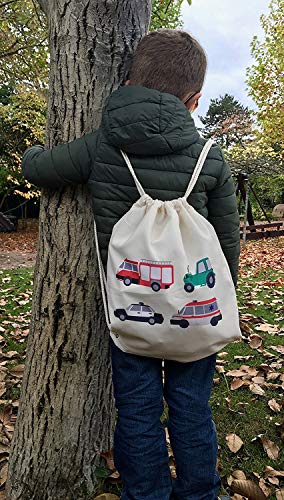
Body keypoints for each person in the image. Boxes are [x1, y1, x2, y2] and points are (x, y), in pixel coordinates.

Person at [22, 29, 240, 500]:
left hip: (131, 308)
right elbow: (226, 246)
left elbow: (41, 170)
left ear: (127, 82)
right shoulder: (210, 158)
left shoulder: (103, 144)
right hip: (195, 313)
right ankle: (200, 493)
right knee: (192, 407)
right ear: (195, 100)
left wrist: (32, 153)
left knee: (138, 409)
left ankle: (146, 494)